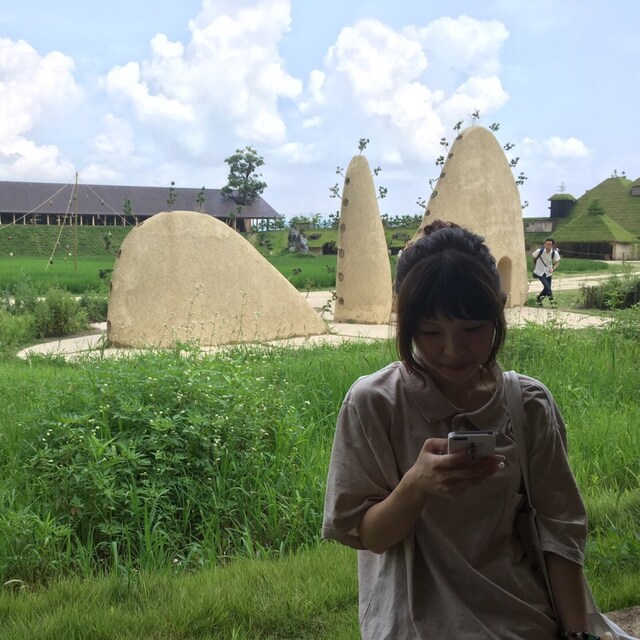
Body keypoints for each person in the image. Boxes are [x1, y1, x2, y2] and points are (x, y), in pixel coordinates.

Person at [322, 221, 599, 639]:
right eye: (430, 332)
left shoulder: (528, 405)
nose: (453, 350)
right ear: (405, 321)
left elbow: (559, 532)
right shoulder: (375, 404)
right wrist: (415, 486)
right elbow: (367, 535)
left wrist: (579, 634)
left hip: (521, 622)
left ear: (498, 309)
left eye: (472, 329)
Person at [532, 238, 561, 306]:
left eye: (549, 245)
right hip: (539, 271)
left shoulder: (554, 253)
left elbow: (557, 262)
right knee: (547, 287)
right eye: (546, 244)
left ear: (552, 246)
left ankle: (552, 303)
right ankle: (539, 299)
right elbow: (534, 258)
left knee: (548, 289)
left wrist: (553, 268)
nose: (547, 246)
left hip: (548, 272)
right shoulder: (539, 251)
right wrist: (535, 267)